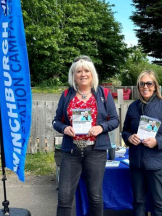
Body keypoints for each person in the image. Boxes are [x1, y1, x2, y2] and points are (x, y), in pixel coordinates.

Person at [52, 55, 119, 216]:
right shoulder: (67, 94)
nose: (83, 74)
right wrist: (64, 128)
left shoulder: (104, 94)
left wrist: (101, 127)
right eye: (79, 71)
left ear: (92, 73)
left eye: (86, 70)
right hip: (71, 152)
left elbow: (115, 120)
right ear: (73, 75)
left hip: (96, 152)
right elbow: (56, 121)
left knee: (95, 196)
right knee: (64, 197)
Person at [122, 70, 162, 216]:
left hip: (156, 163)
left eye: (149, 83)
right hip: (136, 163)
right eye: (141, 84)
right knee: (138, 201)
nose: (145, 87)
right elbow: (125, 131)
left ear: (155, 86)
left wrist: (157, 142)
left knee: (159, 202)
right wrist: (129, 138)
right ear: (138, 87)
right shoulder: (133, 107)